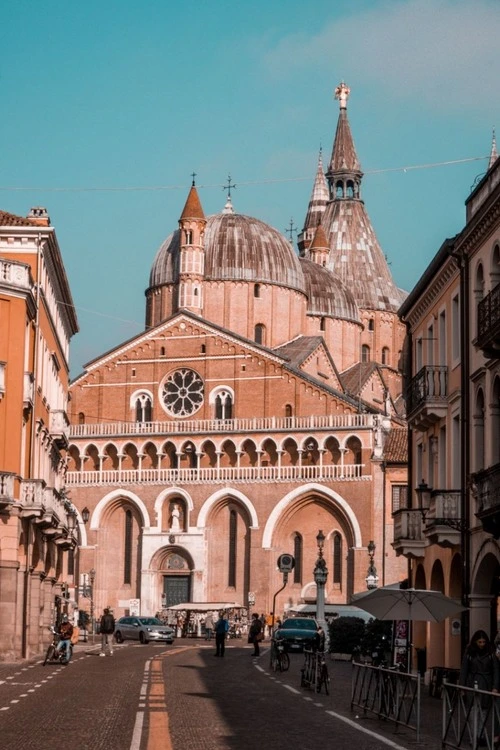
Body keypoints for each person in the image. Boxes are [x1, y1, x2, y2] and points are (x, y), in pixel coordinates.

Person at [460, 629, 500, 746]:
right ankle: (475, 738)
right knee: (473, 712)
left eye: (483, 642)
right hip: (473, 683)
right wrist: (462, 687)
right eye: (480, 642)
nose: (482, 644)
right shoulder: (469, 653)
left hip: (486, 684)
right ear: (475, 642)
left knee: (484, 711)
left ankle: (480, 735)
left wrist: (495, 687)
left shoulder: (491, 653)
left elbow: (496, 671)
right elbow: (464, 670)